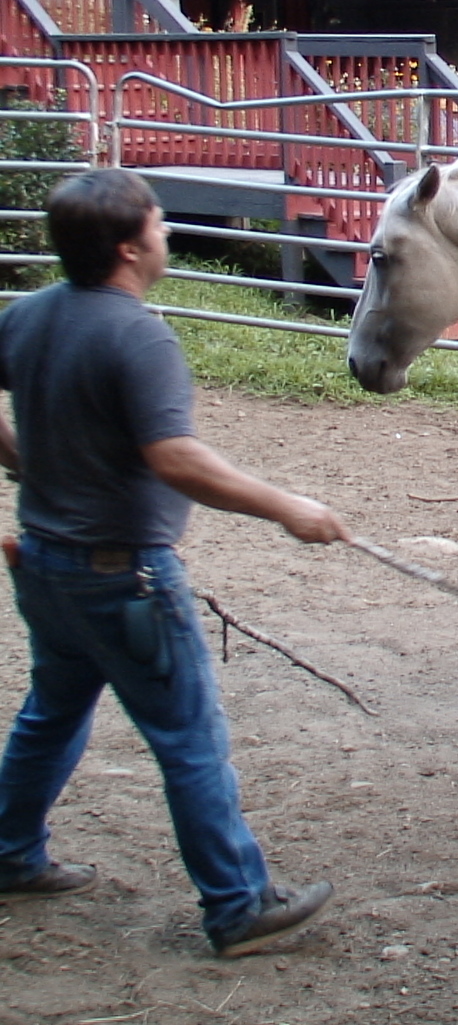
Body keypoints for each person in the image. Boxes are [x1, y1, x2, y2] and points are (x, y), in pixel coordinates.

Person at [0, 168, 351, 958]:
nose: (165, 233)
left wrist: (27, 460)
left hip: (46, 566)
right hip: (123, 579)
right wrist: (287, 506)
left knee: (51, 713)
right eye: (157, 224)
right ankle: (238, 905)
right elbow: (176, 458)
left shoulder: (28, 314)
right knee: (189, 738)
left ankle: (10, 850)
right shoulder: (137, 336)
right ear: (130, 248)